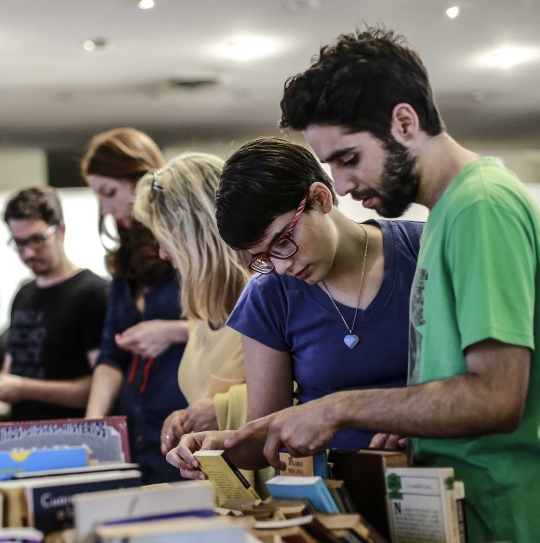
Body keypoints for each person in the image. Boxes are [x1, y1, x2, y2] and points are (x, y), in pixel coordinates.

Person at [225, 27, 540, 543]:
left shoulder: (478, 208)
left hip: (524, 537)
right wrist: (400, 421)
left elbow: (497, 396)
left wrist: (341, 409)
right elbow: (459, 384)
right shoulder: (451, 214)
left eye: (349, 158)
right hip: (482, 535)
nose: (342, 184)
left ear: (405, 122)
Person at [168, 136, 423, 474]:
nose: (281, 266)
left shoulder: (423, 251)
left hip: (441, 477)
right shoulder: (268, 294)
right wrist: (220, 447)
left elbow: (481, 385)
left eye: (283, 242)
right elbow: (264, 439)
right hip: (329, 498)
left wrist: (425, 427)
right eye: (261, 258)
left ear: (320, 197)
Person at [82, 128, 189, 484]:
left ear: (142, 179)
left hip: (188, 428)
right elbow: (112, 354)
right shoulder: (123, 265)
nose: (105, 208)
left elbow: (237, 328)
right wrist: (94, 426)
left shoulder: (190, 249)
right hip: (136, 431)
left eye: (109, 193)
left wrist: (172, 332)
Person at [129, 153, 250, 456]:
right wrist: (187, 417)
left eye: (165, 239)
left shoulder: (267, 294)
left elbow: (304, 397)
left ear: (198, 233)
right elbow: (206, 402)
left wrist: (220, 409)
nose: (163, 254)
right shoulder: (201, 306)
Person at [0, 186, 108, 422]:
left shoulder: (94, 293)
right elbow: (13, 373)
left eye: (37, 239)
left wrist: (23, 388)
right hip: (22, 433)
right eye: (19, 243)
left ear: (60, 230)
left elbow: (101, 388)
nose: (29, 252)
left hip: (73, 438)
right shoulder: (24, 296)